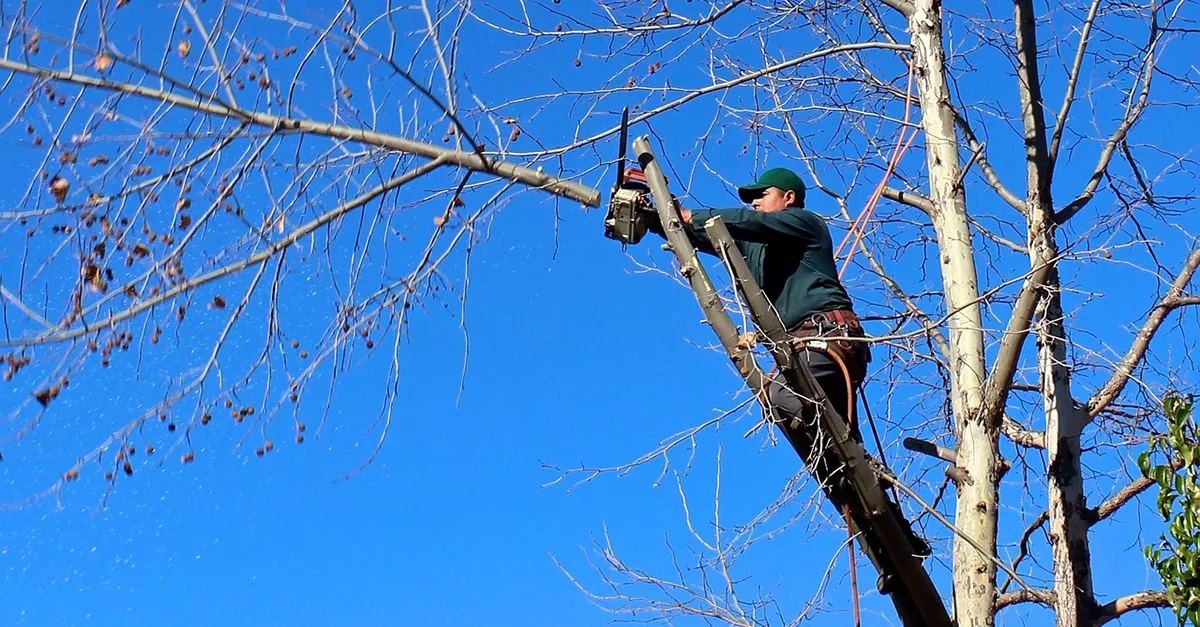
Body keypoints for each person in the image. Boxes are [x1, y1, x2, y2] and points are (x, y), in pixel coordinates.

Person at [644, 167, 930, 561]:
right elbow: (708, 235)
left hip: (828, 339)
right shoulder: (756, 246)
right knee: (832, 456)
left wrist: (692, 213)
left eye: (763, 194)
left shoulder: (805, 224)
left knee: (784, 402)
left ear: (789, 198)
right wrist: (658, 217)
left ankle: (868, 472)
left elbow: (731, 221)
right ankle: (897, 545)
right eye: (752, 197)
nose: (755, 201)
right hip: (803, 352)